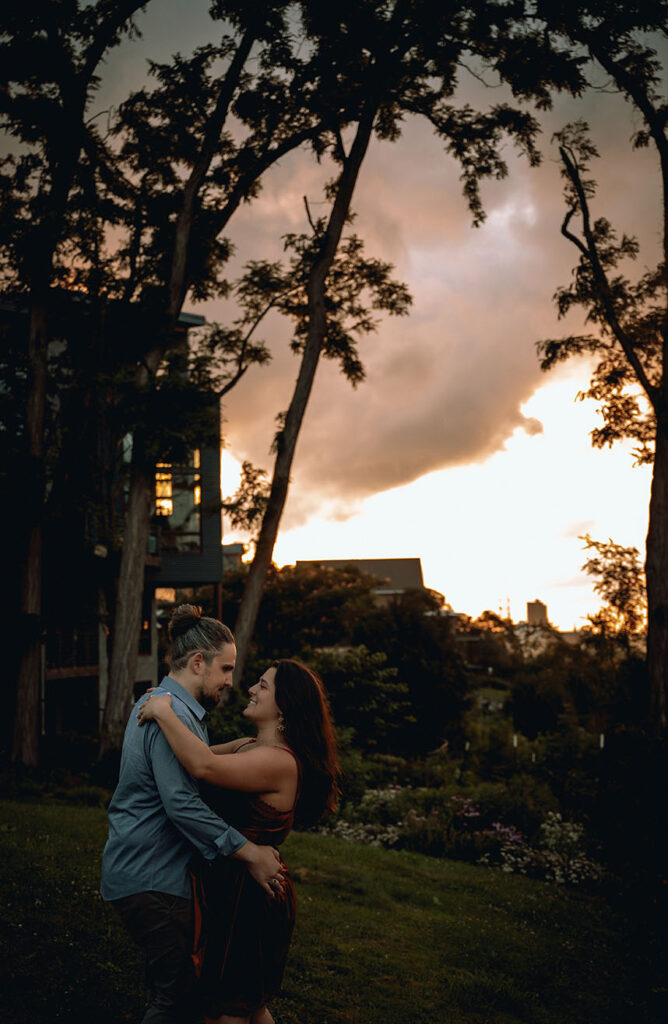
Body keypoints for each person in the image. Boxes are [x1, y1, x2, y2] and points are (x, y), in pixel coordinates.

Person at [100, 605, 283, 1024]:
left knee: (181, 994)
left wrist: (236, 746)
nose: (230, 682)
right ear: (198, 662)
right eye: (226, 669)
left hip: (146, 872)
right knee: (175, 999)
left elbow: (192, 765)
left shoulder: (165, 706)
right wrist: (251, 853)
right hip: (153, 877)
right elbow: (181, 804)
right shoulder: (173, 714)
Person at [137, 657, 340, 1024]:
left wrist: (163, 710)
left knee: (229, 1010)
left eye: (263, 686)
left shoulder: (279, 761)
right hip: (231, 886)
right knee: (248, 1005)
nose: (250, 688)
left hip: (251, 900)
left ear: (285, 706)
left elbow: (204, 766)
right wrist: (167, 709)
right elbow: (186, 762)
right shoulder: (248, 746)